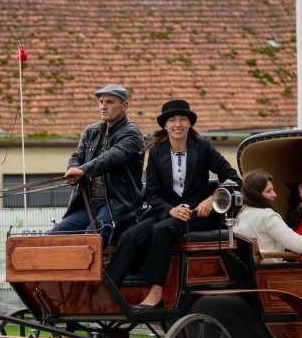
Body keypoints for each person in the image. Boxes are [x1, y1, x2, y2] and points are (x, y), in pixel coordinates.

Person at [106, 99, 240, 307]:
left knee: (162, 230)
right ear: (165, 125)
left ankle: (156, 292)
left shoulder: (203, 148)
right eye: (172, 120)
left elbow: (232, 179)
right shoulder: (158, 152)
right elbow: (151, 193)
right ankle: (109, 291)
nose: (178, 124)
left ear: (189, 124)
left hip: (199, 214)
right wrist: (170, 210)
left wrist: (211, 199)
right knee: (131, 234)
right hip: (168, 211)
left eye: (182, 119)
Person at [49, 84, 145, 245]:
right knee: (54, 237)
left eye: (109, 102)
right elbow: (77, 156)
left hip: (117, 205)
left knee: (92, 240)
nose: (103, 106)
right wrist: (72, 170)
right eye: (101, 102)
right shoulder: (91, 131)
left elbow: (111, 158)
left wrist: (83, 171)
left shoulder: (132, 133)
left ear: (124, 106)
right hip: (87, 204)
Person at [235, 169, 302, 262]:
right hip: (271, 272)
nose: (274, 194)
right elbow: (296, 244)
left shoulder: (240, 214)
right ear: (256, 194)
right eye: (269, 191)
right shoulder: (267, 216)